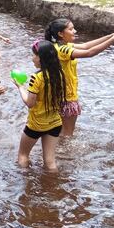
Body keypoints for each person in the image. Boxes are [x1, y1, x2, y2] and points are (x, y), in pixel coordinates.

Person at [44, 19, 114, 137]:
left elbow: (85, 46)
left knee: (62, 130)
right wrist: (113, 40)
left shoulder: (59, 46)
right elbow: (89, 53)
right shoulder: (63, 50)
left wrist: (112, 35)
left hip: (60, 95)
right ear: (61, 34)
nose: (74, 31)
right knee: (67, 134)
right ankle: (63, 154)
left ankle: (55, 150)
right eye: (71, 29)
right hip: (67, 98)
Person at [14, 40, 66, 171]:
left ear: (41, 58)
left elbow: (30, 103)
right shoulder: (60, 73)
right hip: (55, 123)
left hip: (36, 124)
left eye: (34, 55)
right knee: (50, 161)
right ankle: (52, 186)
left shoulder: (36, 78)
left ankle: (25, 186)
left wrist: (20, 87)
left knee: (23, 155)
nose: (33, 58)